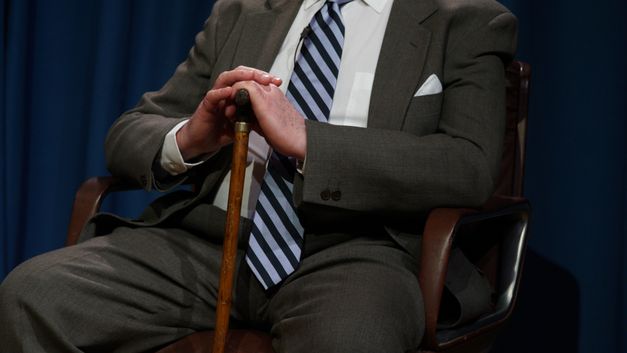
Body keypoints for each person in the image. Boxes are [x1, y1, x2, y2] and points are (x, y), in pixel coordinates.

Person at [0, 0, 517, 352]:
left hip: (356, 251)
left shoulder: (467, 19)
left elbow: (467, 165)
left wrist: (310, 140)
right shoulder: (244, 9)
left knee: (350, 339)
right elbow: (128, 134)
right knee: (33, 295)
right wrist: (193, 135)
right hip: (207, 240)